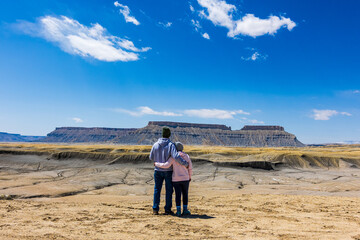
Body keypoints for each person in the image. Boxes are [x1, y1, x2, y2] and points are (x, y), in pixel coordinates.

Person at [149, 127, 189, 215]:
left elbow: (151, 157)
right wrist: (185, 163)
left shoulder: (155, 145)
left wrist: (157, 162)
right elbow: (176, 156)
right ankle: (167, 209)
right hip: (168, 171)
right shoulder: (171, 145)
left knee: (157, 189)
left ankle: (155, 209)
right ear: (169, 135)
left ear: (162, 134)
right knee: (169, 190)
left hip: (157, 170)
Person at [155, 142, 192, 217]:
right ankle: (185, 210)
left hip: (176, 179)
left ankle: (178, 211)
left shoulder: (173, 157)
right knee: (185, 194)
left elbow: (166, 165)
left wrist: (156, 164)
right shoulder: (187, 156)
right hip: (185, 179)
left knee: (177, 195)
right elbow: (190, 168)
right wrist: (189, 176)